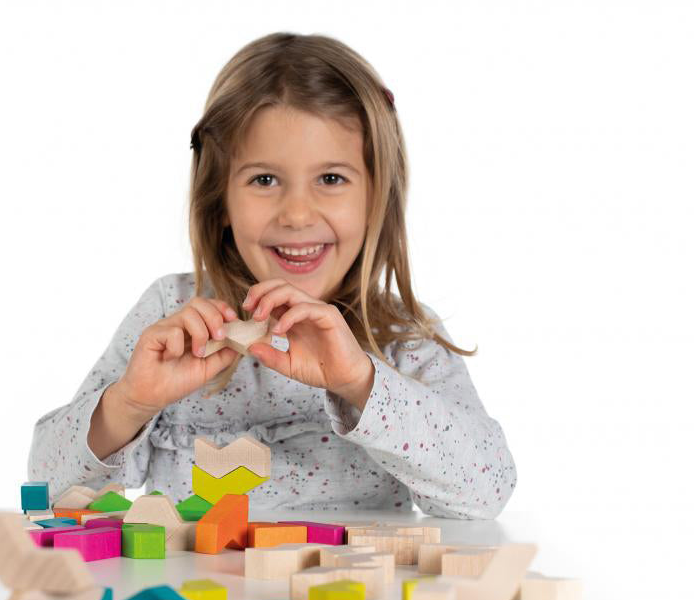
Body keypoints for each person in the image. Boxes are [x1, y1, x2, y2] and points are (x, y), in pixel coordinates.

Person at [28, 32, 517, 520]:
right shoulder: (173, 314)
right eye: (264, 180)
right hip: (198, 596)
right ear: (220, 200)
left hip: (357, 596)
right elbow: (47, 489)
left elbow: (485, 493)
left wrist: (361, 383)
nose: (298, 215)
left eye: (331, 179)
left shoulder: (399, 334)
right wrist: (130, 403)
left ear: (376, 198)